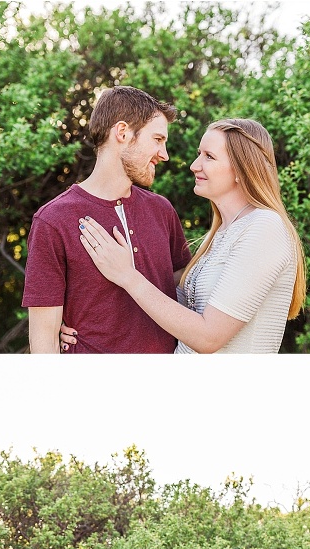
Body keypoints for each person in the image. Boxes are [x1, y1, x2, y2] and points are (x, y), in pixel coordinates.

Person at [70, 118, 307, 353]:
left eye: (209, 156)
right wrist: (81, 327)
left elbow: (209, 338)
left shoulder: (265, 227)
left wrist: (128, 276)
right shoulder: (218, 236)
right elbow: (170, 314)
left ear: (242, 168)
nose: (194, 165)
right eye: (199, 154)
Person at [22, 85, 191, 353]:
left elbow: (187, 284)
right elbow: (44, 341)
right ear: (122, 133)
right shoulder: (53, 220)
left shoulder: (162, 211)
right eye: (158, 139)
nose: (164, 154)